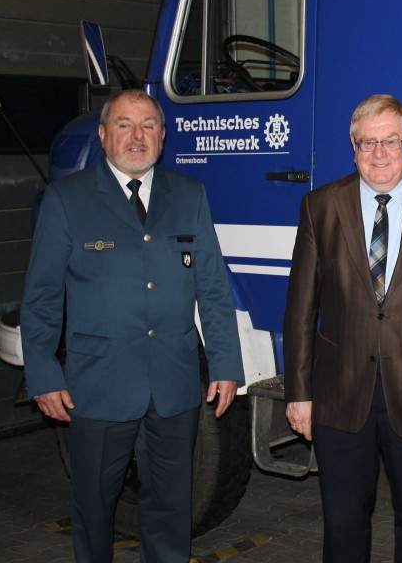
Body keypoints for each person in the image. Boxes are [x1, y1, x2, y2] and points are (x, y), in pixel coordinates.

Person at [20, 89, 244, 562]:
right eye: (124, 125)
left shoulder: (190, 196)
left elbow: (214, 288)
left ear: (163, 136)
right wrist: (41, 372)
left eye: (148, 126)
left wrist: (225, 362)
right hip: (97, 387)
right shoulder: (67, 200)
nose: (137, 136)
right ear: (103, 136)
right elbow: (41, 299)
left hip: (174, 386)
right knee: (94, 508)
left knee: (169, 508)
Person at [282, 94, 402, 563]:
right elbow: (300, 307)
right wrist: (298, 393)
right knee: (343, 524)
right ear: (353, 148)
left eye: (390, 141)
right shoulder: (320, 206)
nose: (379, 154)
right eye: (368, 143)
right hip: (338, 394)